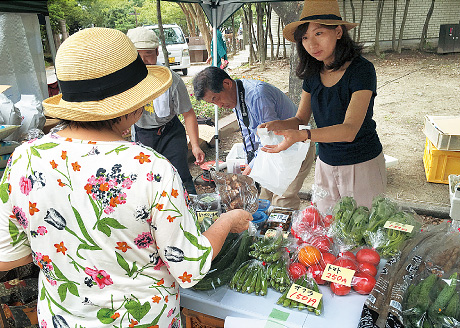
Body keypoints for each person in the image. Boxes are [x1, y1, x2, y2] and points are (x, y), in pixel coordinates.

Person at [0, 27, 252, 328]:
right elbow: (188, 268)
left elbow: (8, 256)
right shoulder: (151, 168)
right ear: (131, 105)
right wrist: (227, 221)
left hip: (63, 319)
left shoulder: (24, 158)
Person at [261, 0, 386, 213]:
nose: (311, 44)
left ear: (338, 32)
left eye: (319, 34)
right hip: (326, 163)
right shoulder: (313, 73)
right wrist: (277, 125)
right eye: (305, 38)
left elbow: (349, 130)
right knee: (328, 226)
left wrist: (303, 136)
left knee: (363, 230)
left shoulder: (361, 71)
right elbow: (300, 119)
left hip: (361, 162)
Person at [193, 66, 315, 210]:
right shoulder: (237, 96)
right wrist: (249, 167)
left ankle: (283, 232)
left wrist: (249, 169)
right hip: (273, 152)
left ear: (227, 84)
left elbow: (271, 138)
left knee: (282, 202)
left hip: (294, 149)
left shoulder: (257, 95)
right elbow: (249, 135)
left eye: (216, 99)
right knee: (263, 199)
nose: (219, 105)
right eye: (213, 103)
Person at [127, 26, 204, 195]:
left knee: (180, 176)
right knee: (148, 179)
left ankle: (191, 209)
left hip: (170, 133)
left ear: (156, 51)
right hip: (142, 134)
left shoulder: (171, 80)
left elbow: (188, 113)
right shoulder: (127, 81)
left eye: (148, 54)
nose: (143, 60)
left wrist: (196, 146)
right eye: (138, 55)